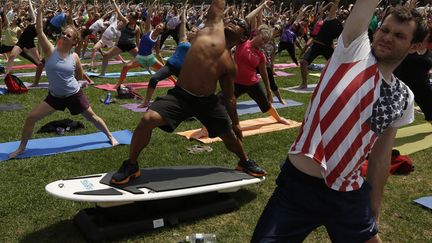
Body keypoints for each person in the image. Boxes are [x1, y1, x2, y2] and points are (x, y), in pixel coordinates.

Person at [252, 1, 427, 242]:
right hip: (298, 188)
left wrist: (374, 210)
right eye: (384, 30)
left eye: (399, 35)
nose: (387, 37)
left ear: (415, 46)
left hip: (349, 194)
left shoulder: (404, 97)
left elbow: (380, 157)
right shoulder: (353, 52)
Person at [110, 0, 267, 185]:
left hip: (207, 102)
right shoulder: (210, 30)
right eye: (231, 20)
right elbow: (218, 5)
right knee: (147, 120)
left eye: (239, 24)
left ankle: (244, 161)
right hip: (181, 96)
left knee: (230, 136)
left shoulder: (229, 65)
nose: (234, 22)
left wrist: (236, 123)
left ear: (243, 38)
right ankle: (131, 165)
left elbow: (230, 97)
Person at [9, 0, 119, 159]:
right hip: (54, 97)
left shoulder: (74, 57)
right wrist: (39, 10)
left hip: (74, 94)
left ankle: (110, 136)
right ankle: (21, 148)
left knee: (92, 117)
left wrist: (80, 83)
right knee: (31, 118)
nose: (64, 36)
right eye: (63, 34)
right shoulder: (50, 51)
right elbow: (39, 31)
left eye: (68, 35)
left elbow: (80, 76)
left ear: (74, 41)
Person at [139, 3, 197, 108]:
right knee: (153, 79)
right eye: (191, 30)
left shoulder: (197, 46)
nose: (190, 32)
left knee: (188, 88)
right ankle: (146, 102)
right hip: (170, 65)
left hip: (182, 70)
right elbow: (183, 22)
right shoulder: (183, 39)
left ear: (197, 35)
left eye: (193, 31)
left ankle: (190, 105)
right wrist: (184, 9)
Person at [113, 0, 175, 89]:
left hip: (150, 58)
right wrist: (153, 3)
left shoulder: (158, 39)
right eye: (159, 25)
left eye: (161, 26)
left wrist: (163, 63)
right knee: (125, 67)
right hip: (140, 58)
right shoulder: (148, 31)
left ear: (162, 30)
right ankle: (118, 84)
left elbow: (158, 53)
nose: (158, 26)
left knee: (165, 70)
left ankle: (175, 82)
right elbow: (149, 15)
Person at [297, 0, 346, 89]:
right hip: (317, 45)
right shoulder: (331, 18)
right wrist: (336, 2)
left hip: (328, 47)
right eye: (342, 12)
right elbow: (335, 4)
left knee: (339, 65)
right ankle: (304, 83)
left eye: (345, 13)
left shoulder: (342, 28)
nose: (342, 13)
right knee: (303, 62)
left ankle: (339, 83)